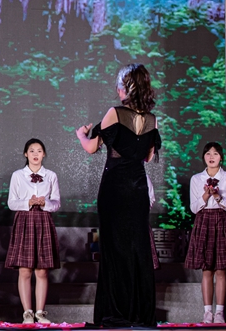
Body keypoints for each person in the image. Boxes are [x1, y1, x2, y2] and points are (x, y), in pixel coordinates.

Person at [76, 63, 160, 327]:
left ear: (128, 87)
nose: (117, 89)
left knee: (114, 250)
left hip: (115, 188)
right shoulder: (152, 119)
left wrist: (81, 135)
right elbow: (148, 157)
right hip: (137, 190)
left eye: (120, 84)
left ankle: (116, 312)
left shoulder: (115, 113)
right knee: (137, 249)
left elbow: (92, 147)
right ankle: (139, 313)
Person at [185, 142, 226, 324]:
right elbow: (194, 208)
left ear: (221, 157)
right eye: (208, 153)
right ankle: (207, 312)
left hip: (222, 221)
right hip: (203, 221)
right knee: (206, 269)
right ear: (204, 157)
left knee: (221, 269)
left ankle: (220, 313)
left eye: (215, 153)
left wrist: (217, 196)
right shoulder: (196, 179)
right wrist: (205, 196)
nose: (211, 157)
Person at [5, 139, 61, 325]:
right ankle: (27, 313)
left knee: (42, 271)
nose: (35, 154)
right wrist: (27, 202)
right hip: (24, 220)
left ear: (44, 154)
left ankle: (40, 313)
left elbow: (57, 203)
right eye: (31, 150)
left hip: (43, 220)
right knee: (24, 270)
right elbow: (11, 203)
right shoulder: (18, 175)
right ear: (25, 154)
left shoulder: (51, 175)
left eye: (39, 151)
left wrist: (45, 203)